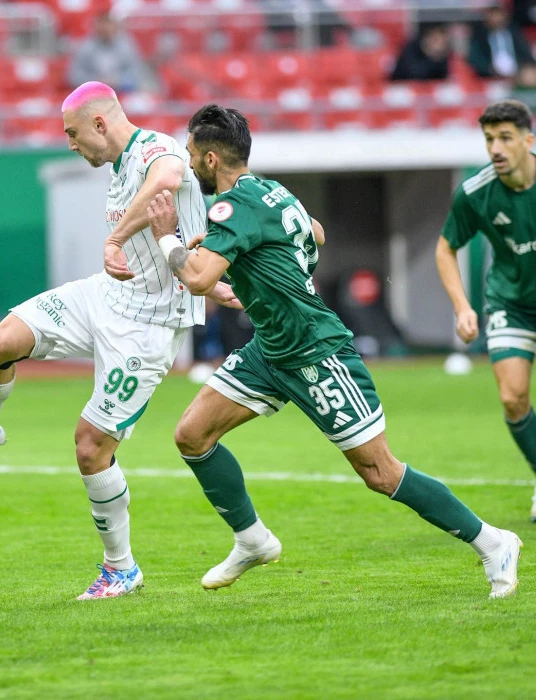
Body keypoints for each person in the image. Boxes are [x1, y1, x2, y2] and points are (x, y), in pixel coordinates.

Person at [146, 104, 522, 599]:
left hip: (315, 352)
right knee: (193, 435)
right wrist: (243, 257)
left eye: (192, 152)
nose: (189, 160)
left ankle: (494, 542)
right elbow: (315, 233)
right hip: (271, 349)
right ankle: (252, 539)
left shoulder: (234, 206)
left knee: (380, 472)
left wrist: (166, 236)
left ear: (211, 159)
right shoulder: (271, 191)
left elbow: (196, 278)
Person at [0, 82, 241, 600]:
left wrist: (115, 238)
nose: (71, 144)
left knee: (90, 447)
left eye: (73, 133)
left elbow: (169, 177)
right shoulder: (118, 167)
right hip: (104, 297)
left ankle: (120, 569)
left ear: (100, 124)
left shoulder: (157, 148)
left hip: (149, 327)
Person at [436, 99, 536, 522]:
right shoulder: (476, 192)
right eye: (489, 138)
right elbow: (445, 248)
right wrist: (462, 307)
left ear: (528, 141)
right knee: (512, 397)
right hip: (510, 301)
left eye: (505, 138)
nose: (496, 148)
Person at [69, 12, 146, 94]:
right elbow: (74, 76)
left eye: (109, 25)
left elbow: (136, 74)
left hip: (122, 93)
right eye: (103, 25)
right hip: (92, 94)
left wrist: (117, 81)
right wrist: (97, 82)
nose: (106, 28)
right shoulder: (85, 47)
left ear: (116, 27)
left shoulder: (126, 47)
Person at [468, 3, 536, 87]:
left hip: (517, 74)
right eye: (493, 17)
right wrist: (489, 69)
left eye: (499, 16)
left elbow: (525, 53)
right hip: (490, 76)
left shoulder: (515, 34)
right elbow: (475, 59)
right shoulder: (479, 37)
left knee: (530, 75)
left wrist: (523, 68)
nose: (497, 20)